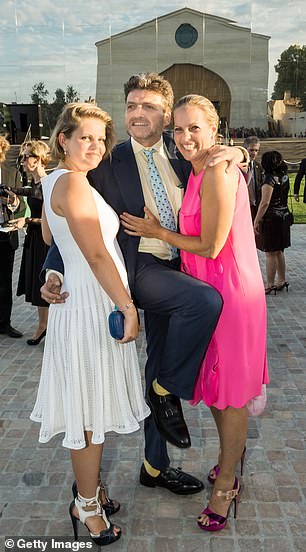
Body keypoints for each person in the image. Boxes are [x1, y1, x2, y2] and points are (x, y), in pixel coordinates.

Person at [41, 73, 249, 496]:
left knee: (159, 368)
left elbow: (221, 163)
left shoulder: (183, 155)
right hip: (137, 274)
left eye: (149, 107)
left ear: (166, 115)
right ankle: (166, 391)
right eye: (132, 105)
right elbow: (77, 224)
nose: (138, 113)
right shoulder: (105, 162)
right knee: (202, 307)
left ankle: (155, 464)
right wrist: (53, 270)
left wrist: (238, 151)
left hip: (179, 270)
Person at [120, 94, 268, 532]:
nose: (185, 138)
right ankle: (227, 461)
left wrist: (156, 231)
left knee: (233, 393)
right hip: (204, 289)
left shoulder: (220, 169)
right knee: (219, 387)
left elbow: (211, 245)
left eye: (195, 128)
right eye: (179, 129)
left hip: (230, 291)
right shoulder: (197, 165)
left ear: (215, 128)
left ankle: (225, 483)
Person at [30, 103, 150, 545]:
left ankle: (90, 488)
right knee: (87, 412)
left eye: (101, 138)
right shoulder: (74, 184)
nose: (96, 146)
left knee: (90, 406)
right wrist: (129, 307)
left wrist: (55, 274)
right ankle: (86, 505)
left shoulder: (58, 181)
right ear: (63, 139)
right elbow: (97, 254)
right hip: (90, 309)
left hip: (81, 301)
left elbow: (51, 238)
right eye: (86, 137)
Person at [16, 140, 50, 345]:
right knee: (38, 284)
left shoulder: (49, 182)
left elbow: (52, 218)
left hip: (46, 240)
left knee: (47, 283)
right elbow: (28, 192)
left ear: (38, 159)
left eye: (26, 156)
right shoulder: (36, 184)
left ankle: (49, 327)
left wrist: (27, 220)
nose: (22, 160)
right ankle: (42, 325)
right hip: (34, 238)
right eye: (21, 156)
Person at [254, 151, 291, 294]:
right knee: (279, 250)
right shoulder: (284, 177)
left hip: (272, 218)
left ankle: (269, 284)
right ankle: (281, 280)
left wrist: (256, 221)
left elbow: (265, 202)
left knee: (270, 252)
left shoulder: (269, 179)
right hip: (284, 215)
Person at [0, 135, 23, 338]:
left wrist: (12, 201)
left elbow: (21, 206)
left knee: (5, 282)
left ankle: (4, 324)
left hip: (5, 234)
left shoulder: (11, 173)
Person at [242, 136, 263, 220]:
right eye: (251, 150)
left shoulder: (259, 166)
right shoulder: (237, 166)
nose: (254, 153)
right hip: (242, 206)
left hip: (255, 206)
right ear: (245, 149)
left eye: (256, 150)